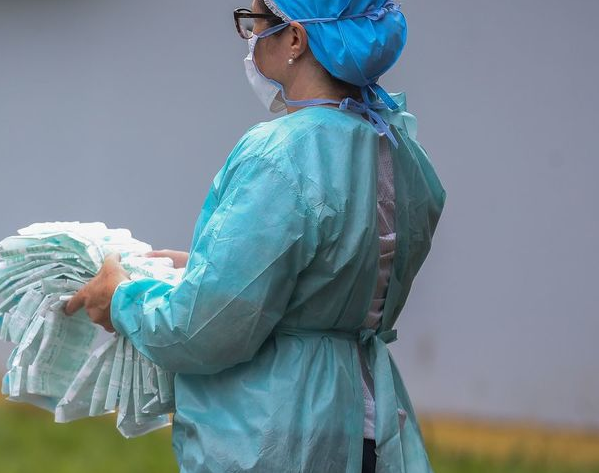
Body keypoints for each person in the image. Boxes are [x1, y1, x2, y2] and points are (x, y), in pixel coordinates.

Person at [64, 0, 446, 471]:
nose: (249, 38)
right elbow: (337, 277)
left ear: (295, 38)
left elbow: (205, 327)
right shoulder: (401, 152)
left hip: (278, 433)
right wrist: (208, 266)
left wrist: (121, 299)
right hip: (366, 423)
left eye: (255, 22)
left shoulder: (279, 154)